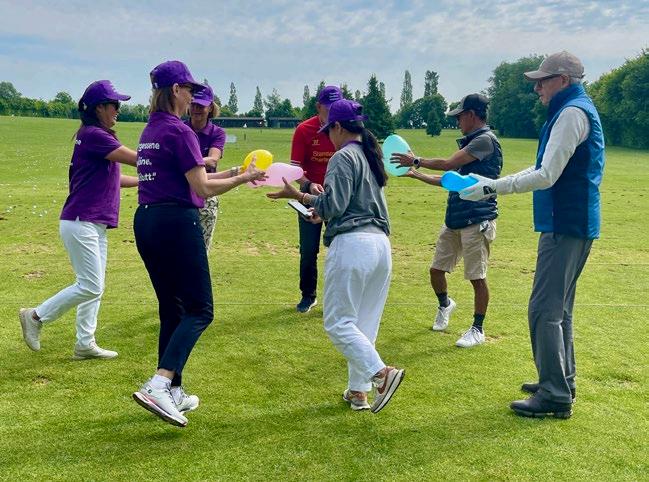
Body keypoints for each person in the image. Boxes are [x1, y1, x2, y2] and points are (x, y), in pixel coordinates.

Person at [459, 51, 605, 418]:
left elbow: (546, 175)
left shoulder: (571, 113)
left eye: (543, 80)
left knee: (544, 310)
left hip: (565, 223)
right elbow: (542, 167)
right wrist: (491, 182)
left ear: (563, 81)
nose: (537, 87)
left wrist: (491, 187)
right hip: (572, 221)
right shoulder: (573, 109)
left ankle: (555, 393)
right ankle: (560, 382)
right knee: (559, 309)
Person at [131, 60, 266, 428]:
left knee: (172, 309)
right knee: (201, 310)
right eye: (189, 89)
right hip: (177, 222)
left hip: (147, 221)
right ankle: (159, 384)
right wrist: (243, 181)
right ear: (176, 90)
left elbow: (193, 175)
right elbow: (202, 188)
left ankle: (174, 390)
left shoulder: (151, 129)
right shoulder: (180, 131)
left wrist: (239, 171)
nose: (192, 97)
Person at [268, 99, 404, 413]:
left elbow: (335, 205)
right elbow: (345, 204)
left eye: (330, 130)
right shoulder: (370, 155)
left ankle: (382, 374)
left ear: (339, 127)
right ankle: (359, 392)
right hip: (380, 245)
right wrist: (323, 208)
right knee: (364, 324)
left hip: (354, 245)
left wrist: (299, 195)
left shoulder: (343, 156)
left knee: (338, 323)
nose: (328, 136)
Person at [19, 80, 138, 359]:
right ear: (99, 108)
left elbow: (116, 178)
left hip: (93, 222)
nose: (118, 110)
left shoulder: (94, 136)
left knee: (94, 287)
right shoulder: (96, 135)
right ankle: (35, 316)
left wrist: (147, 181)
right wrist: (174, 159)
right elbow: (137, 159)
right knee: (91, 285)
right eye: (114, 104)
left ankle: (85, 343)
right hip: (82, 220)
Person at [391, 94, 502, 348]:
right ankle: (445, 304)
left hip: (478, 218)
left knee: (477, 277)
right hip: (455, 218)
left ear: (471, 115)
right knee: (436, 270)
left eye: (459, 117)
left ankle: (478, 329)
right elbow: (448, 180)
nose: (457, 122)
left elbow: (448, 164)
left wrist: (416, 160)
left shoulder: (484, 141)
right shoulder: (471, 143)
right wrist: (415, 173)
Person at [289, 85, 342, 313]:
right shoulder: (304, 130)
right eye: (328, 108)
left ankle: (338, 298)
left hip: (339, 200)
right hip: (309, 198)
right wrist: (309, 184)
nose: (332, 113)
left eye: (337, 107)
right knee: (309, 251)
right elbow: (295, 170)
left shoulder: (344, 130)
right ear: (318, 106)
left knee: (340, 250)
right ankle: (308, 295)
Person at [185, 84, 227, 251]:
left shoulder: (217, 133)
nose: (196, 109)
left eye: (201, 105)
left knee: (201, 249)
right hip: (181, 191)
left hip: (205, 192)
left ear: (210, 107)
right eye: (193, 104)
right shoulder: (180, 128)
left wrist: (184, 162)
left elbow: (213, 160)